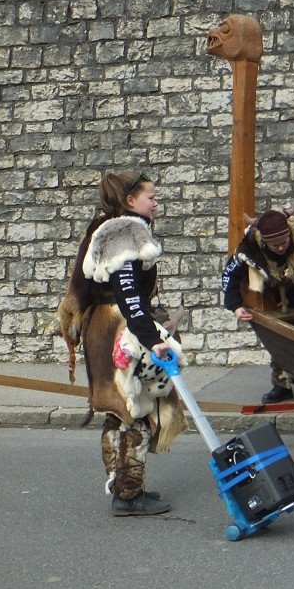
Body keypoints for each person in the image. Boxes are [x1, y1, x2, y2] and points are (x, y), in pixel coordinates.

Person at [56, 170, 187, 516]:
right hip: (120, 330)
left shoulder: (104, 228)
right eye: (151, 197)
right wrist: (152, 339)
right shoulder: (125, 234)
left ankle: (126, 487)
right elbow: (129, 295)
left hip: (103, 326)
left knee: (120, 412)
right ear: (130, 201)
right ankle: (128, 495)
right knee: (135, 410)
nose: (156, 203)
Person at [221, 208, 294, 403]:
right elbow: (230, 274)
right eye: (274, 245)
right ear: (264, 241)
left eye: (283, 243)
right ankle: (282, 384)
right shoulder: (250, 249)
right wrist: (234, 305)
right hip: (276, 299)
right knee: (278, 342)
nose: (280, 248)